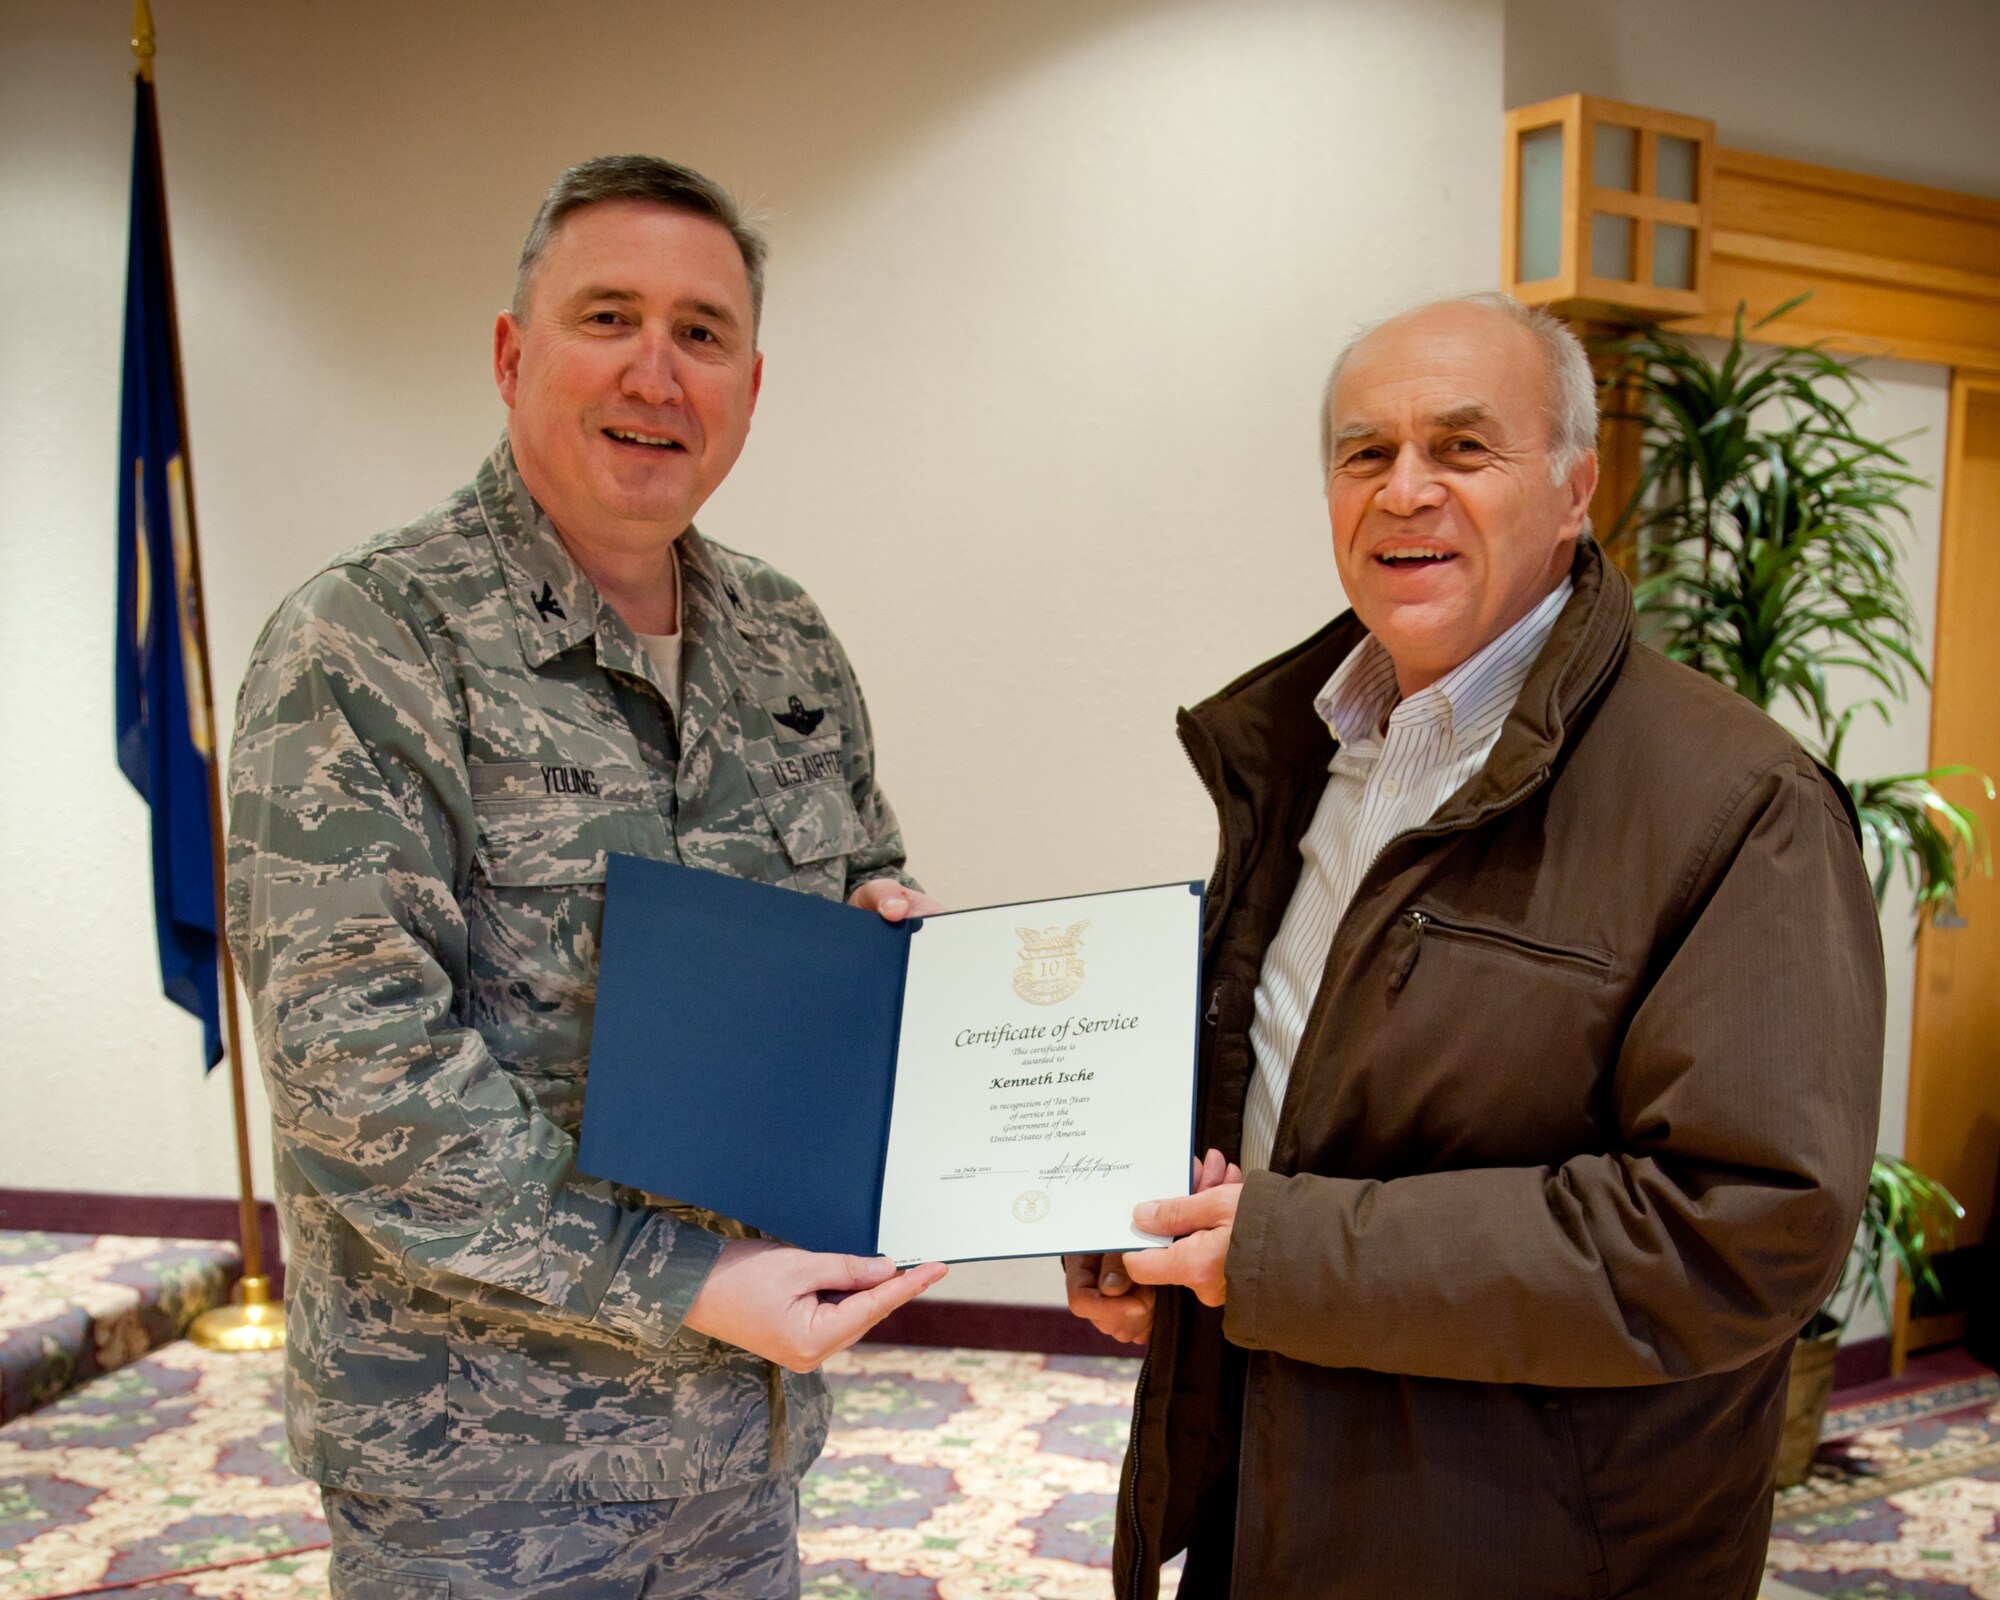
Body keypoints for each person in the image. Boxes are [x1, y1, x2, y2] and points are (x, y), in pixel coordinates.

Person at [1063, 294, 1884, 1599]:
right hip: (1269, 1495)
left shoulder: (1739, 804)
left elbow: (1735, 1232)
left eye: (1462, 447)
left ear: (1574, 490)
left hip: (1535, 1543)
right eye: (1363, 453)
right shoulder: (1299, 752)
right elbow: (1289, 1089)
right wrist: (1143, 1218)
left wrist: (1277, 1251)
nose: (1404, 492)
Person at [226, 155, 947, 1600]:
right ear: (511, 355)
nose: (655, 372)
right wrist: (685, 1284)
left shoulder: (785, 642)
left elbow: (869, 875)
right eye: (607, 316)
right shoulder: (368, 642)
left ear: (752, 383)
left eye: (702, 333)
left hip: (739, 1443)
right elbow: (357, 1078)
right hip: (480, 1472)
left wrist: (895, 956)